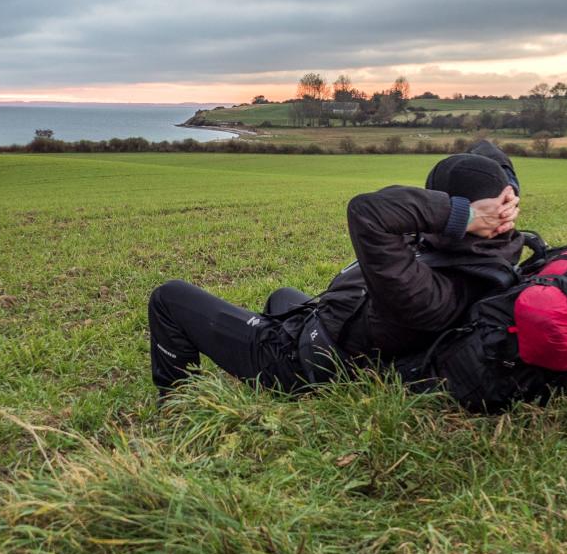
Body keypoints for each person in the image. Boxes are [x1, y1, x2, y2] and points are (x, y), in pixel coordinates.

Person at [148, 141, 522, 399]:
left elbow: (369, 211)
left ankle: (178, 405)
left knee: (169, 297)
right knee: (281, 296)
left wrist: (463, 214)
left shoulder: (426, 291)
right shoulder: (490, 252)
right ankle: (246, 355)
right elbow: (483, 154)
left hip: (301, 364)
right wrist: (498, 194)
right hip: (329, 327)